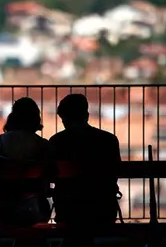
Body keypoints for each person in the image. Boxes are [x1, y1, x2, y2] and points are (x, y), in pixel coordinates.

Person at [49, 93, 122, 235]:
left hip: (68, 210)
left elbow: (51, 176)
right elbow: (115, 173)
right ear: (86, 115)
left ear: (64, 118)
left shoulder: (56, 141)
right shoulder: (109, 139)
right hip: (103, 209)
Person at [0, 97, 53, 228]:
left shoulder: (1, 141)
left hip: (3, 211)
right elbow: (46, 181)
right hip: (35, 210)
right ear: (36, 118)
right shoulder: (43, 144)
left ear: (13, 117)